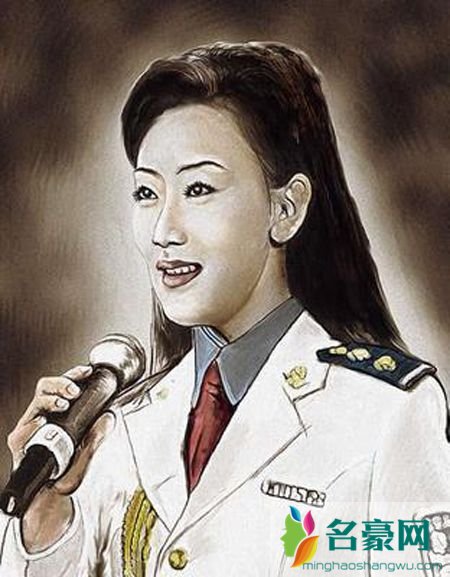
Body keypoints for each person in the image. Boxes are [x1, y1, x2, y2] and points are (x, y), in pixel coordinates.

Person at [0, 41, 448, 577]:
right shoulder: (114, 427)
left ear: (286, 209)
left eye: (198, 188)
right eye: (146, 193)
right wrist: (44, 520)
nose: (164, 230)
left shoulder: (386, 413)